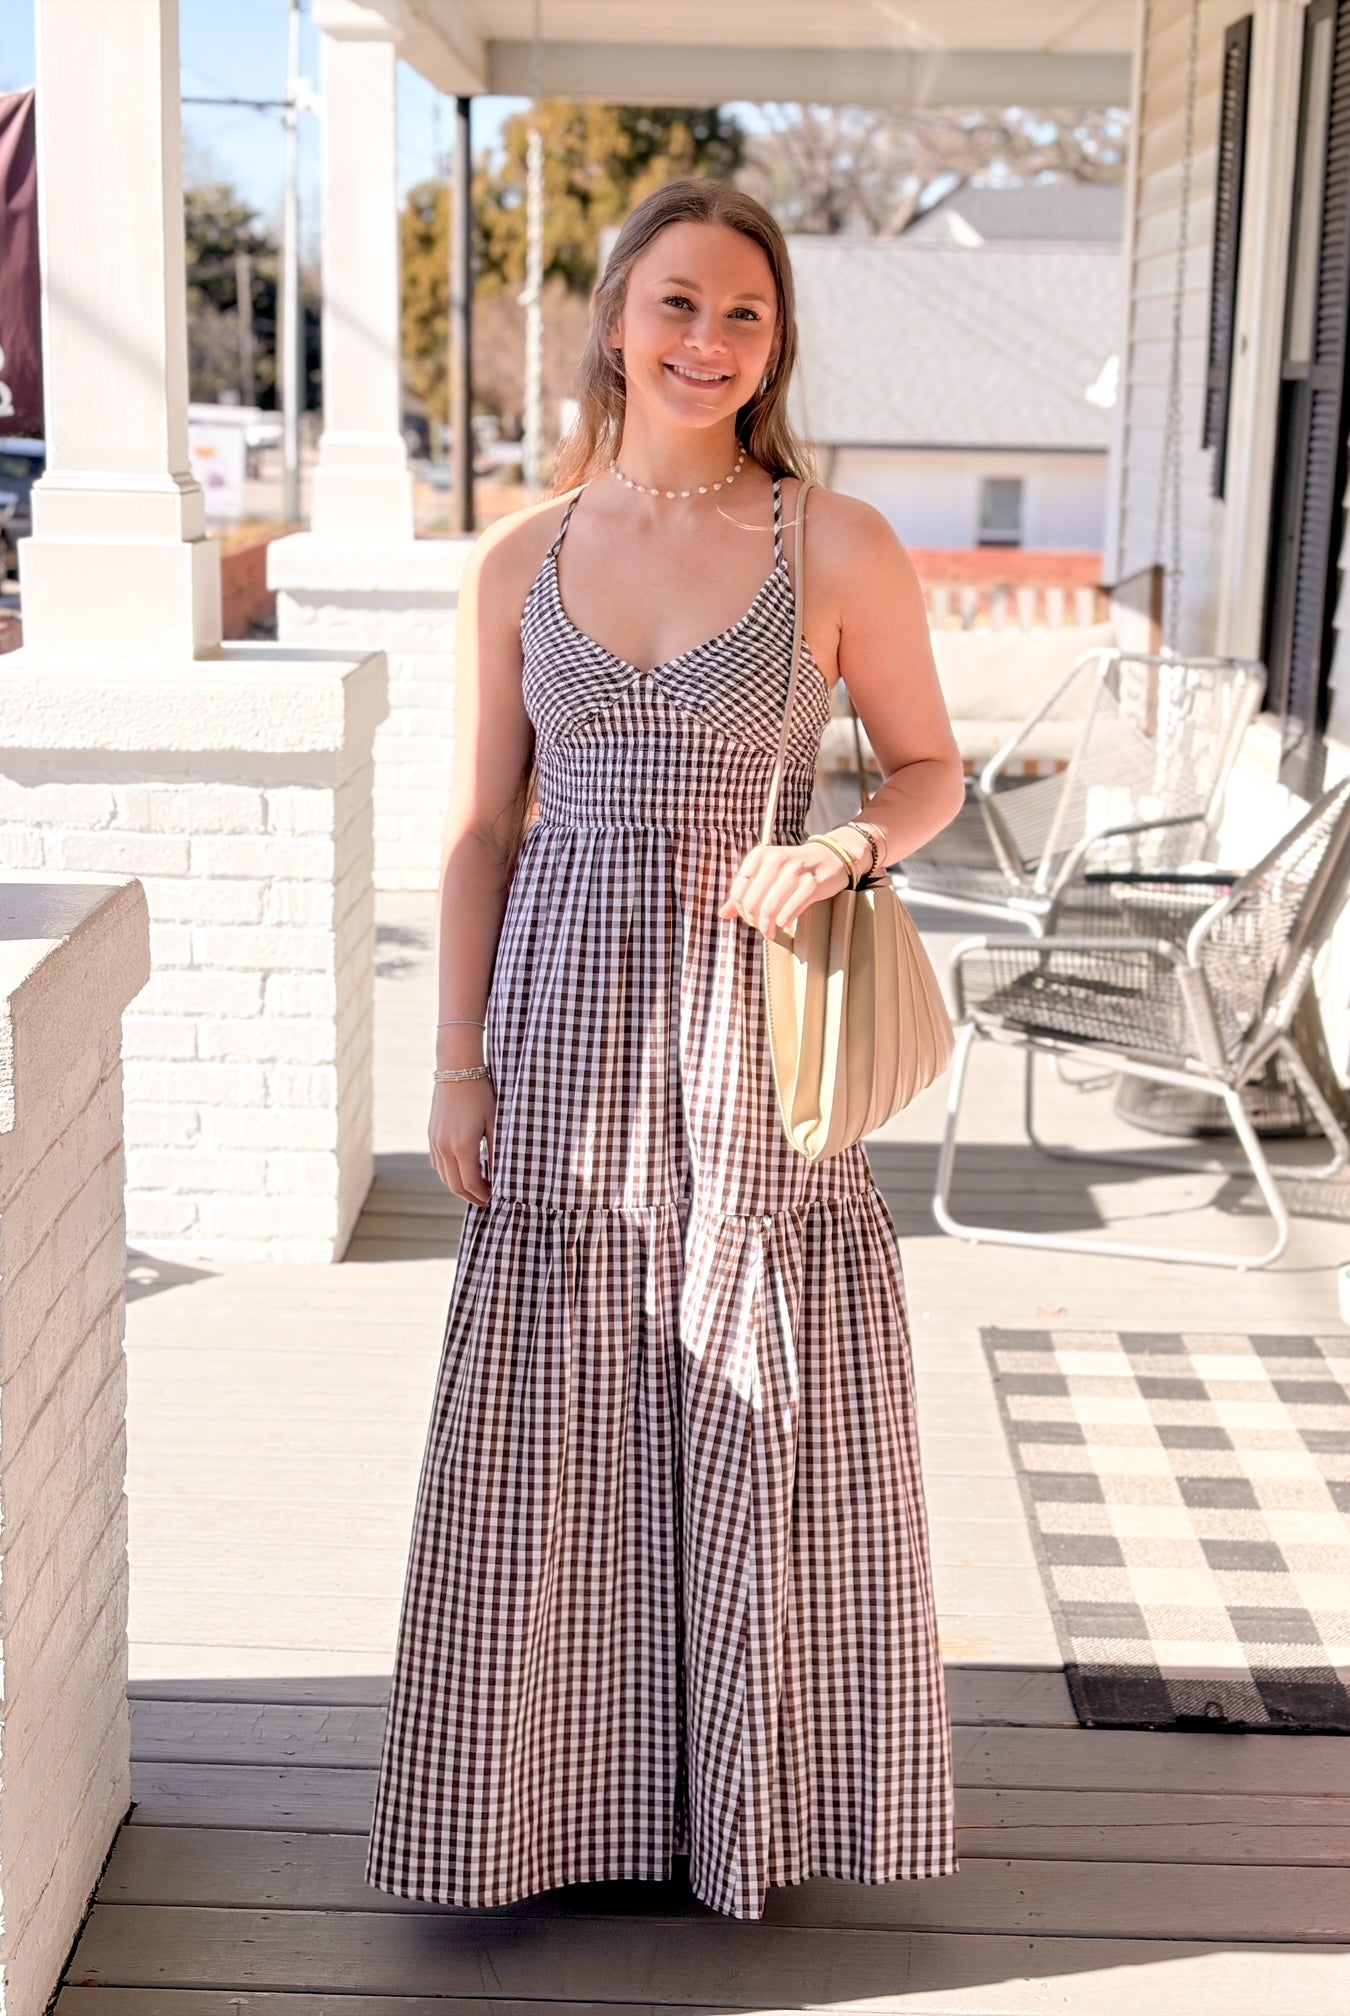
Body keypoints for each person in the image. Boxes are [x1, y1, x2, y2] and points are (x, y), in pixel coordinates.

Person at [364, 177, 965, 1923]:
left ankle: (750, 1811)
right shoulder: (520, 552)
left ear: (773, 350)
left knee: (759, 1383)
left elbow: (927, 771)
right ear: (617, 318)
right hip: (558, 1023)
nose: (707, 343)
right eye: (679, 305)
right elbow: (480, 831)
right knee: (555, 1397)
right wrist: (453, 1058)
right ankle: (537, 1810)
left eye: (744, 318)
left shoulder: (831, 542)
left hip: (743, 1017)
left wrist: (843, 844)